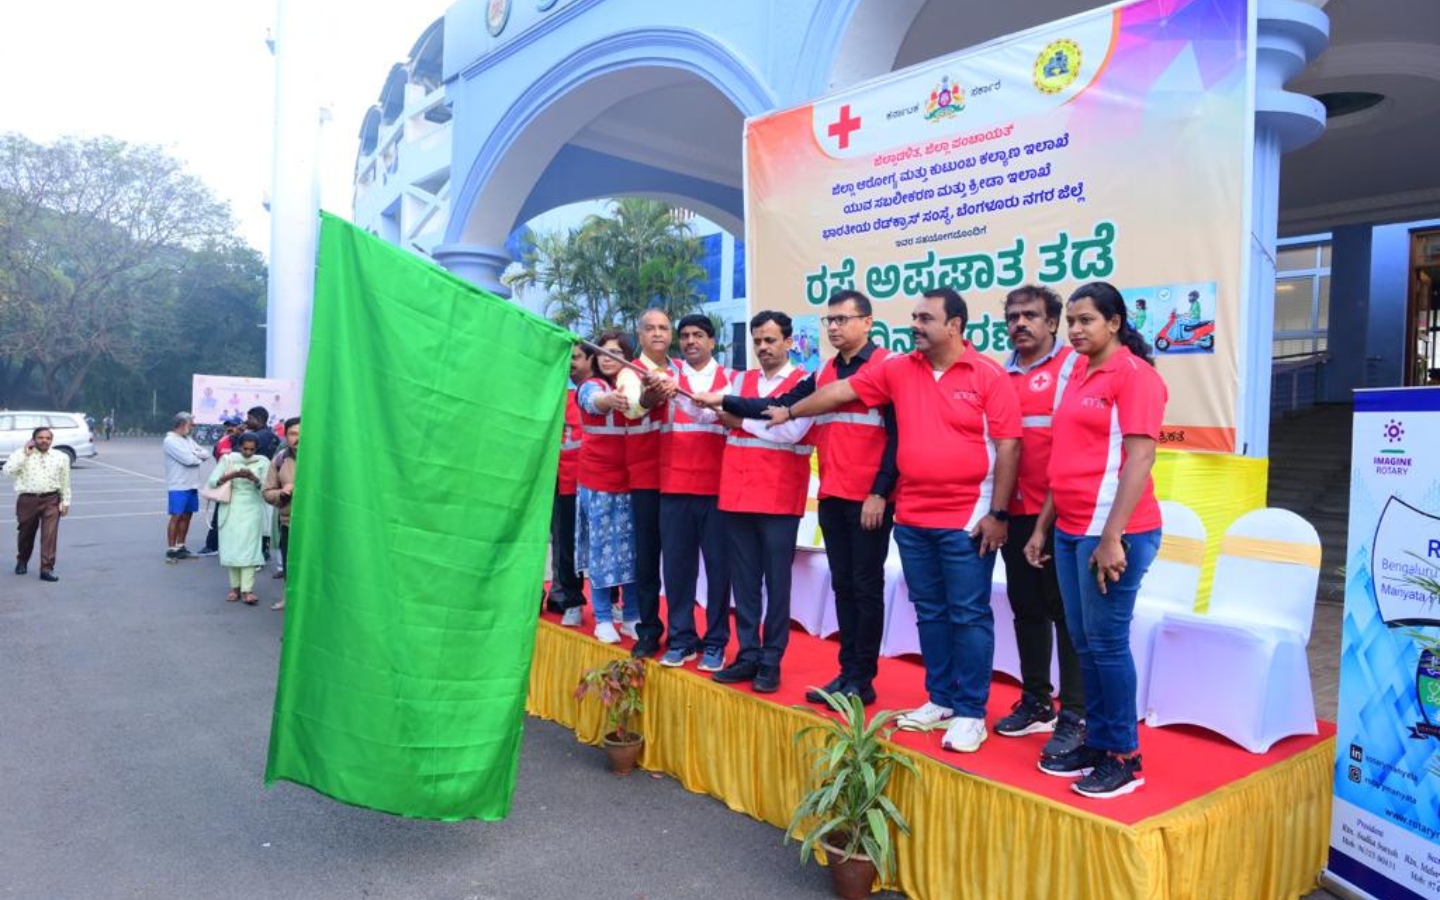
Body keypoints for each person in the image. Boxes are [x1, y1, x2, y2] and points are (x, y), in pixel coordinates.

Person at [780, 288, 1021, 754]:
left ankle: (971, 712)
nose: (915, 325)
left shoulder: (988, 374)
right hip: (912, 515)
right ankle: (941, 698)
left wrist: (999, 513)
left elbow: (1009, 446)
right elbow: (841, 392)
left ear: (954, 326)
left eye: (925, 318)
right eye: (913, 316)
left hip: (967, 517)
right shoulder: (900, 368)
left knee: (968, 614)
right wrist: (789, 411)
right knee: (929, 611)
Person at [710, 290, 897, 707]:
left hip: (867, 499)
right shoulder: (826, 369)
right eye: (830, 320)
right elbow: (778, 405)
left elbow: (896, 436)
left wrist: (880, 492)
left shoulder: (886, 366)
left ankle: (862, 679)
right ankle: (846, 674)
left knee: (866, 588)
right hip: (832, 492)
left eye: (843, 319)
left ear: (867, 322)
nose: (834, 327)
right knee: (844, 587)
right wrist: (720, 399)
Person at [1026, 281, 1167, 798]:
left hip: (1112, 533)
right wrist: (1042, 526)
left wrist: (1113, 537)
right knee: (1085, 643)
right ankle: (1099, 741)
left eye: (1086, 320)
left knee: (1107, 644)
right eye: (1071, 322)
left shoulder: (1135, 376)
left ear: (1115, 322)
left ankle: (1125, 757)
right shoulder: (1079, 373)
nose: (1076, 330)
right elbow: (1065, 460)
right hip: (1070, 529)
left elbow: (1141, 457)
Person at [994, 285, 1086, 759]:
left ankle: (1075, 714)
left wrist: (1045, 523)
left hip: (1061, 512)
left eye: (1030, 315)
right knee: (1026, 607)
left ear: (1053, 323)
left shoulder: (1073, 368)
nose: (1020, 324)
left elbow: (1074, 445)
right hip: (1014, 511)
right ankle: (1036, 701)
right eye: (1013, 317)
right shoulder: (998, 373)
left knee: (1066, 614)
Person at [708, 311, 815, 694]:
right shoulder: (741, 380)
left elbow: (791, 431)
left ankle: (771, 660)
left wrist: (741, 422)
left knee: (778, 583)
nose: (763, 347)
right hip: (738, 493)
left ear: (788, 342)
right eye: (757, 341)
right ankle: (748, 654)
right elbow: (713, 411)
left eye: (770, 340)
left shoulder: (804, 382)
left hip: (779, 496)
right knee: (745, 583)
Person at [643, 313, 733, 671]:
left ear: (712, 341)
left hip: (717, 489)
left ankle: (716, 641)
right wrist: (652, 390)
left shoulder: (732, 379)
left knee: (719, 570)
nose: (691, 341)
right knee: (677, 571)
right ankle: (682, 640)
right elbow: (642, 402)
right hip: (675, 486)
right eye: (685, 336)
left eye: (698, 335)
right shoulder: (665, 377)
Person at [575, 333, 641, 644]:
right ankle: (602, 617)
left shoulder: (634, 384)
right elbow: (595, 402)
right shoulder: (592, 386)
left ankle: (631, 617)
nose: (607, 357)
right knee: (602, 552)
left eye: (616, 352)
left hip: (632, 482)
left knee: (632, 553)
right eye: (602, 352)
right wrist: (610, 401)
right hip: (598, 483)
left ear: (627, 356)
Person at [617, 308, 673, 659]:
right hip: (647, 480)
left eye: (663, 328)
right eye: (650, 328)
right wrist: (652, 394)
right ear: (639, 335)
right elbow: (634, 407)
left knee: (680, 562)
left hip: (680, 478)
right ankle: (649, 629)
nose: (657, 333)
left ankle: (682, 632)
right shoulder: (630, 371)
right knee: (648, 559)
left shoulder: (680, 371)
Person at [545, 345, 588, 627]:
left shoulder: (595, 391)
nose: (571, 362)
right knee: (560, 540)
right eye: (568, 356)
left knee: (579, 542)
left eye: (577, 357)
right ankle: (560, 594)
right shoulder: (549, 392)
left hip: (587, 479)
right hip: (555, 479)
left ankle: (605, 601)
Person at [209, 432, 271, 605]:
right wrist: (233, 475)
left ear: (257, 449)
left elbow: (267, 487)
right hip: (231, 507)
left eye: (252, 449)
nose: (248, 453)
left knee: (250, 548)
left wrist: (253, 478)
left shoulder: (263, 461)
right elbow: (212, 482)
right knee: (232, 547)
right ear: (239, 447)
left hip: (252, 508)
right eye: (245, 449)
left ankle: (247, 590)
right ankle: (234, 588)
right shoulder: (228, 459)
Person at [6, 426, 71, 581]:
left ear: (51, 440)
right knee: (26, 534)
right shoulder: (21, 454)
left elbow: (65, 480)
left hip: (51, 499)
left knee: (50, 535)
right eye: (40, 438)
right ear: (33, 439)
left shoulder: (61, 457)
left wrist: (66, 501)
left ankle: (46, 569)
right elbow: (7, 471)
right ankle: (22, 560)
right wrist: (25, 454)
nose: (44, 441)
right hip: (27, 500)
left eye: (48, 438)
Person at [262, 417, 301, 611]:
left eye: (303, 433)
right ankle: (289, 599)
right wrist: (282, 493)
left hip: (319, 524)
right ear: (285, 436)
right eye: (293, 434)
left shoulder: (322, 459)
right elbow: (267, 492)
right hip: (289, 523)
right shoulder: (279, 460)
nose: (298, 438)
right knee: (289, 565)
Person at [163, 412, 209, 562]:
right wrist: (197, 456)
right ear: (182, 424)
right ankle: (171, 550)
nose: (192, 428)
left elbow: (206, 453)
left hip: (192, 484)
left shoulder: (188, 439)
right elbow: (188, 460)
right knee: (176, 516)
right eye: (190, 425)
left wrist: (195, 454)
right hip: (178, 485)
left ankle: (181, 546)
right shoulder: (170, 441)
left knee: (187, 515)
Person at [199, 415, 245, 557]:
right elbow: (217, 458)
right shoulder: (221, 442)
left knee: (240, 517)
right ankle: (212, 545)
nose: (230, 428)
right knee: (219, 514)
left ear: (240, 427)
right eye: (228, 425)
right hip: (224, 483)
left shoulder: (247, 441)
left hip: (241, 485)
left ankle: (236, 545)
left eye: (233, 425)